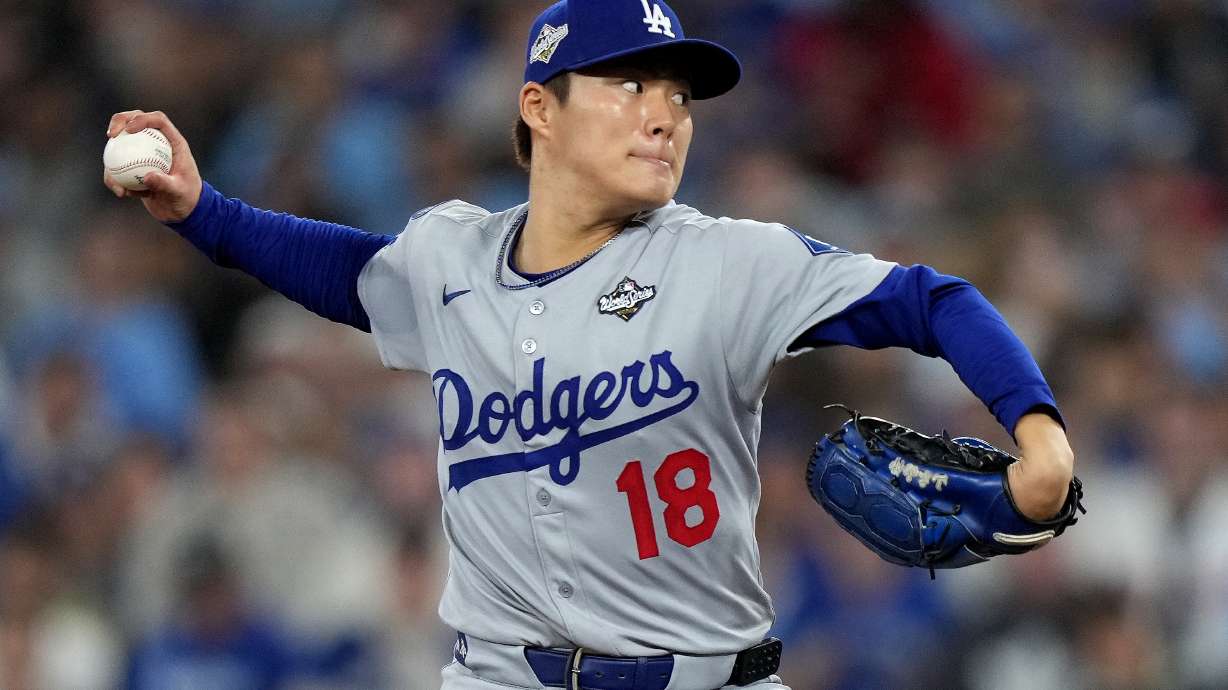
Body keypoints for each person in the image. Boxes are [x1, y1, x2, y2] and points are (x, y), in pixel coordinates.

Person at [102, 1, 1075, 688]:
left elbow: (929, 300)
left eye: (680, 96)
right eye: (629, 84)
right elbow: (345, 271)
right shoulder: (448, 258)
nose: (665, 113)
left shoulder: (729, 262)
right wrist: (202, 211)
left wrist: (1039, 433)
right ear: (539, 109)